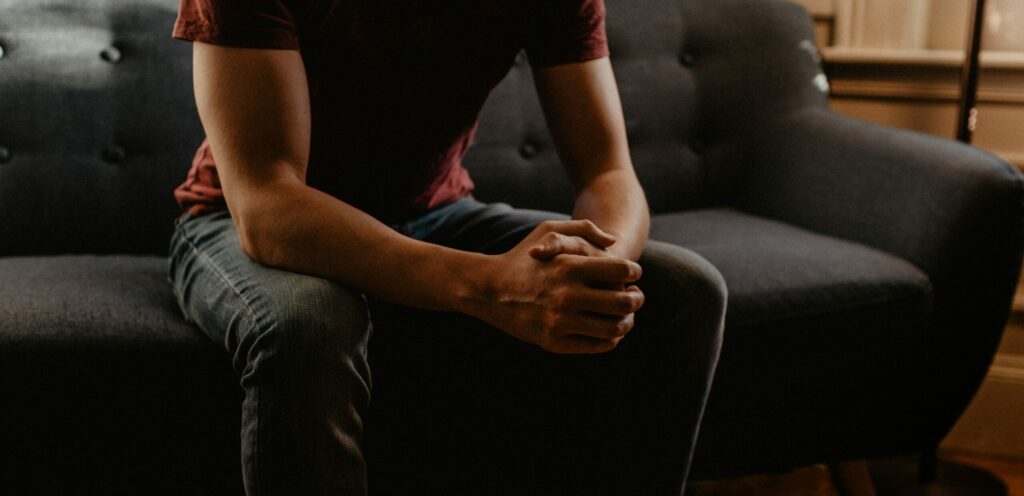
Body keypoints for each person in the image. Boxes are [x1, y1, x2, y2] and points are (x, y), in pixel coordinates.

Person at [168, 0, 726, 494]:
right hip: (238, 218)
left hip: (433, 214)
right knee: (311, 323)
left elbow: (608, 172)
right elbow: (266, 206)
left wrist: (595, 273)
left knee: (683, 290)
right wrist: (491, 287)